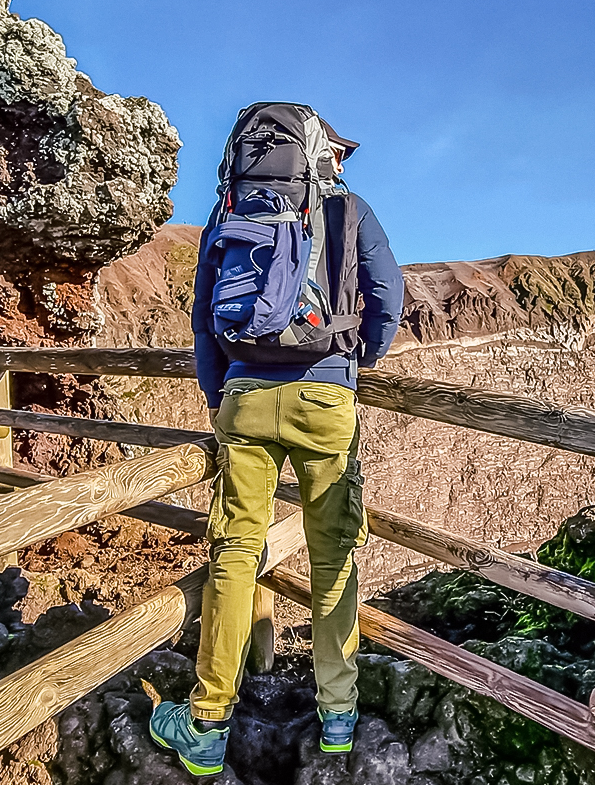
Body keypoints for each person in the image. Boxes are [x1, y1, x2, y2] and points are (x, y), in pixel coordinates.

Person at [150, 103, 404, 776]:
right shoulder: (350, 210)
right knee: (334, 556)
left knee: (235, 554)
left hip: (245, 397)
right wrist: (354, 363)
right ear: (325, 152)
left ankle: (206, 724)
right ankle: (339, 716)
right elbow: (388, 295)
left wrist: (219, 392)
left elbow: (204, 317)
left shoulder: (229, 211)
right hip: (327, 397)